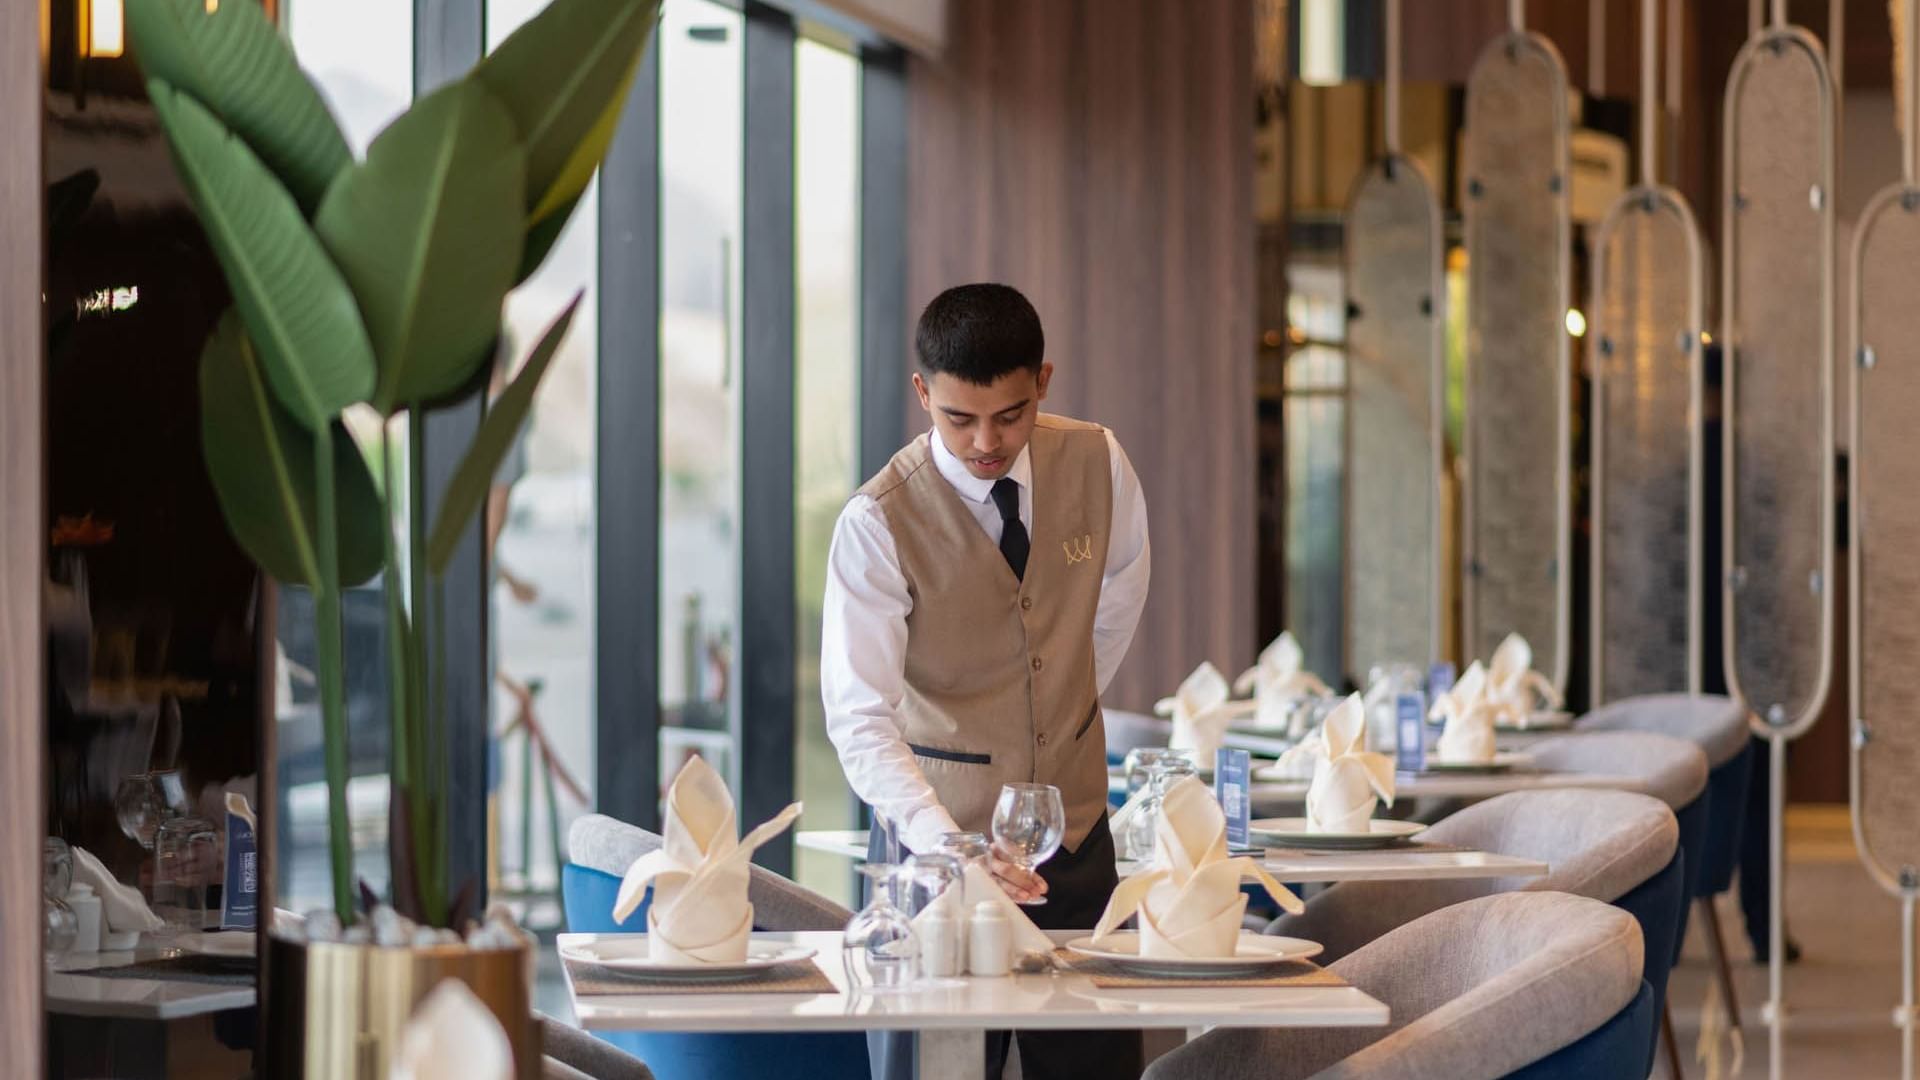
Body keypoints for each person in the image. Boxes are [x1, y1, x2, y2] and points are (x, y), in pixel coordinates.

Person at [822, 283, 1151, 1080]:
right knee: (941, 1070)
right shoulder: (876, 522)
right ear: (922, 393)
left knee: (1093, 1067)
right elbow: (860, 720)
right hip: (934, 855)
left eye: (1010, 415)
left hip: (1075, 840)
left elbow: (1116, 601)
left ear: (1043, 381)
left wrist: (1057, 714)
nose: (985, 443)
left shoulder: (1099, 462)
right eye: (958, 418)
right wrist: (949, 847)